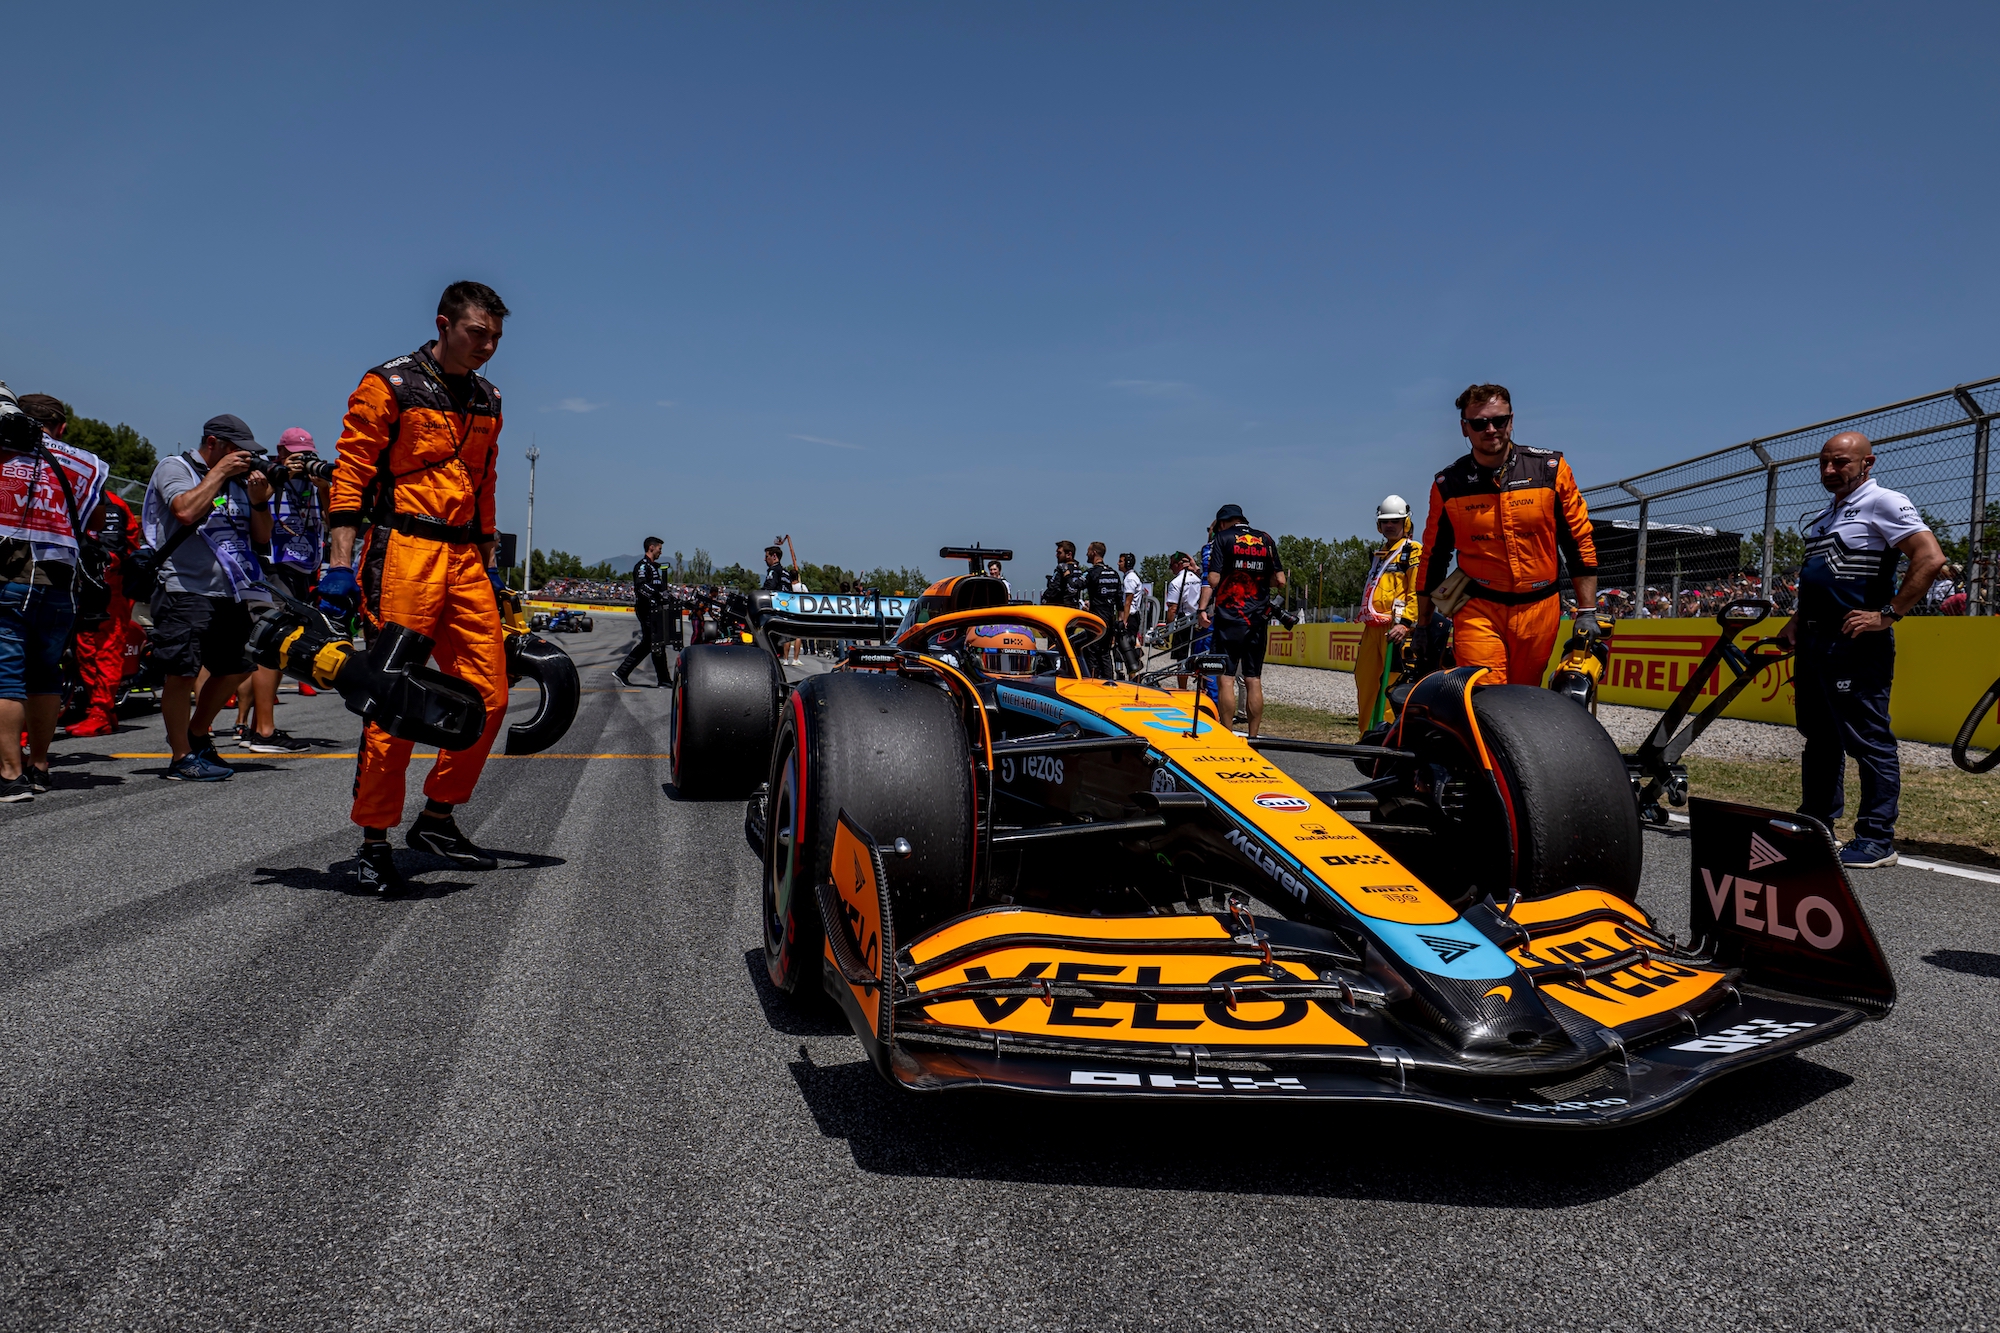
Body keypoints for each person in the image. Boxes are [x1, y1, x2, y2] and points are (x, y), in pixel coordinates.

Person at [322, 280, 512, 893]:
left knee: (491, 695)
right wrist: (339, 564)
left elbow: (485, 481)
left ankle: (436, 819)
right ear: (443, 324)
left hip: (465, 557)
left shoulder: (488, 399)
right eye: (478, 333)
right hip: (403, 551)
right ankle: (374, 842)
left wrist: (490, 558)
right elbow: (350, 474)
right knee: (394, 701)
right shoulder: (390, 384)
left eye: (496, 337)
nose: (488, 346)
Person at [1773, 431, 1945, 869]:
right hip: (1815, 641)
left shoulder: (1884, 501)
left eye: (1841, 462)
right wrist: (1796, 622)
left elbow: (1930, 558)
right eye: (1824, 462)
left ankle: (1876, 838)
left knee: (1868, 739)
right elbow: (1822, 579)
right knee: (1819, 737)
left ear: (1868, 463)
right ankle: (1817, 822)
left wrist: (1888, 614)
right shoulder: (1826, 514)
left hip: (1855, 643)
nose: (1830, 470)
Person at [1416, 384, 1600, 687]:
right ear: (1465, 428)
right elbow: (1434, 555)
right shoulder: (1448, 484)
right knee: (1484, 694)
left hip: (1540, 607)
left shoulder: (1551, 469)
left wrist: (1587, 611)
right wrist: (1423, 624)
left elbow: (1578, 541)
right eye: (1479, 424)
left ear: (1511, 421)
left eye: (1499, 420)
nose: (1491, 430)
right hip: (1479, 607)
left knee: (1523, 697)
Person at [141, 414, 275, 782]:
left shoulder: (238, 481)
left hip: (231, 589)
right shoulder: (175, 467)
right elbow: (184, 510)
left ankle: (197, 734)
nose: (243, 458)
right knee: (182, 672)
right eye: (236, 450)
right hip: (184, 586)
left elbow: (262, 537)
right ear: (213, 443)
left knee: (238, 666)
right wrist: (219, 473)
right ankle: (181, 756)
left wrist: (259, 503)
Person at [0, 391, 109, 799]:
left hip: (10, 574)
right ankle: (40, 765)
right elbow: (98, 517)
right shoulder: (84, 462)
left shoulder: (6, 450)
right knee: (46, 674)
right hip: (62, 581)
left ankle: (9, 774)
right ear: (60, 427)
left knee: (6, 676)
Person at [233, 427, 328, 751]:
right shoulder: (267, 474)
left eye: (309, 454)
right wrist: (282, 473)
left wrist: (323, 487)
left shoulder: (312, 483)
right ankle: (264, 731)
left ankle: (255, 727)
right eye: (297, 455)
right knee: (272, 642)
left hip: (304, 566)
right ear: (282, 452)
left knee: (278, 645)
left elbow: (331, 518)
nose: (304, 460)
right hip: (274, 564)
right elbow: (256, 503)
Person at [1195, 504, 1285, 737]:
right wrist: (1257, 578)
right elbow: (1280, 580)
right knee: (1253, 678)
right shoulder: (1266, 539)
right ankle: (1253, 737)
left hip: (1229, 616)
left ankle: (1227, 734)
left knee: (1226, 678)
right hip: (1258, 618)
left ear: (1223, 523)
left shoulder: (1222, 538)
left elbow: (1213, 579)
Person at [1357, 494, 1422, 728]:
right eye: (1385, 521)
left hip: (1396, 631)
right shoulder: (1380, 554)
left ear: (1406, 522)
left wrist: (1405, 624)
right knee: (1365, 681)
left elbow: (1416, 590)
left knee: (1392, 685)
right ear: (1379, 525)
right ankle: (1366, 734)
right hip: (1373, 629)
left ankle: (1387, 737)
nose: (1390, 525)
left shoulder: (1412, 550)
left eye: (1396, 521)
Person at [616, 536, 674, 687]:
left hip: (655, 611)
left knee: (654, 643)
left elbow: (658, 589)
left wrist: (667, 596)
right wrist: (658, 595)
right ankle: (662, 680)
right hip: (646, 610)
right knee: (653, 643)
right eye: (659, 549)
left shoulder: (654, 567)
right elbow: (641, 587)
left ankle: (662, 679)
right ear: (651, 548)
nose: (661, 552)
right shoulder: (642, 566)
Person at [1076, 542, 1126, 680]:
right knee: (1105, 653)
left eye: (1088, 551)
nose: (1086, 554)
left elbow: (1076, 585)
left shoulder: (1092, 572)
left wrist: (1069, 572)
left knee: (1091, 651)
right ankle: (1108, 682)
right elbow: (1120, 602)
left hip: (1096, 620)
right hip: (1110, 619)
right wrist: (1120, 622)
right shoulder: (1114, 573)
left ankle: (1093, 682)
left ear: (1094, 553)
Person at [1117, 552, 1145, 677]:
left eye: (1121, 561)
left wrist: (1124, 621)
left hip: (1130, 616)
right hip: (1132, 616)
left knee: (1127, 646)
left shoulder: (1130, 579)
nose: (1118, 563)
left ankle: (1133, 675)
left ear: (1127, 563)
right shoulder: (1129, 577)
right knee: (1127, 646)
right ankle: (1132, 674)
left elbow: (1128, 602)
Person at [1042, 541, 1083, 607]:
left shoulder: (1061, 568)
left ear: (1069, 554)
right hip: (1075, 607)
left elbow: (1053, 588)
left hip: (1061, 607)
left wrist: (1045, 599)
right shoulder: (1078, 570)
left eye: (1059, 553)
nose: (1056, 555)